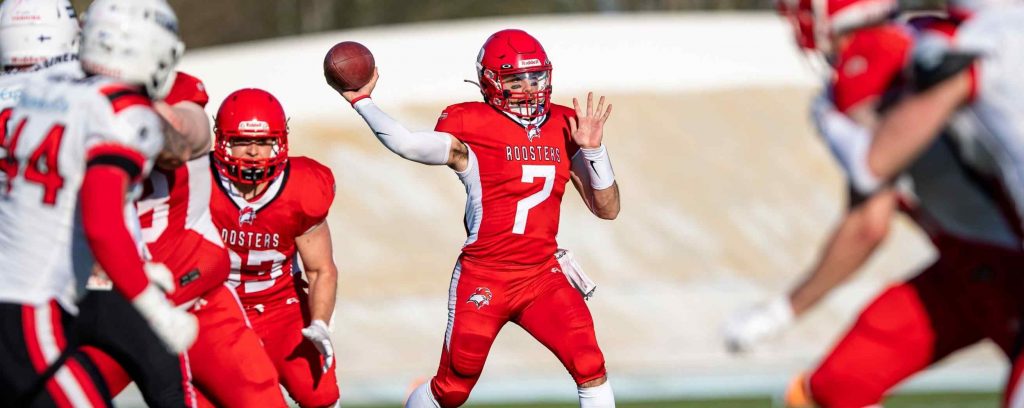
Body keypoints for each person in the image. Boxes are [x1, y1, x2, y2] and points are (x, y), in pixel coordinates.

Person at [724, 1, 1024, 407]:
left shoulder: (870, 64)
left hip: (1003, 266)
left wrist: (782, 310)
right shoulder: (932, 35)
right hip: (966, 267)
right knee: (835, 387)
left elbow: (869, 220)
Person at [332, 29, 620, 407]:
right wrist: (363, 101)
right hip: (486, 275)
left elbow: (607, 208)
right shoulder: (471, 122)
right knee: (452, 390)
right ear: (491, 82)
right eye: (516, 80)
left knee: (590, 364)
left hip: (541, 275)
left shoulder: (566, 123)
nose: (529, 89)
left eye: (535, 77)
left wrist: (594, 151)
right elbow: (407, 143)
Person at [0, 0, 196, 405]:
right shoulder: (122, 112)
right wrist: (155, 308)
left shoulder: (44, 89)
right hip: (32, 302)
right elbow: (103, 223)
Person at [80, 72, 288, 408]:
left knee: (263, 402)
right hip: (112, 301)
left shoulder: (175, 92)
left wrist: (125, 115)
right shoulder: (61, 100)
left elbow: (186, 140)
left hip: (195, 292)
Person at [209, 87, 340, 408]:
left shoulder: (302, 187)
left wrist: (320, 323)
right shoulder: (198, 179)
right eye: (242, 141)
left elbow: (320, 269)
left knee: (321, 395)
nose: (254, 152)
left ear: (280, 141)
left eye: (265, 141)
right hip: (217, 308)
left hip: (281, 305)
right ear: (222, 140)